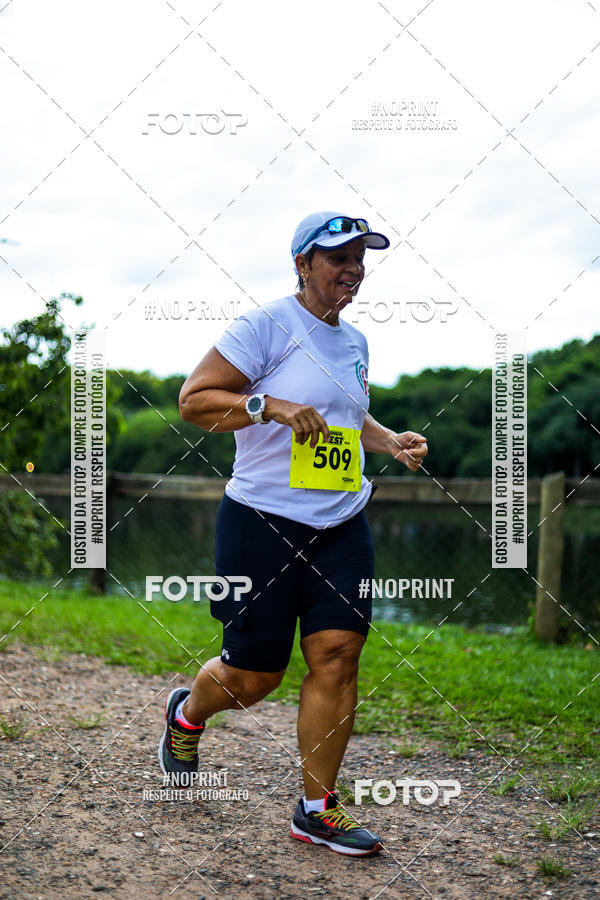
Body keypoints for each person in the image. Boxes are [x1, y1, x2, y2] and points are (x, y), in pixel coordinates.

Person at [158, 211, 428, 857]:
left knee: (338, 655)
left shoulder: (355, 342)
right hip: (261, 520)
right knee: (254, 677)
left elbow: (343, 419)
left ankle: (316, 809)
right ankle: (187, 714)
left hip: (340, 519)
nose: (352, 269)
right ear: (303, 263)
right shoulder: (265, 325)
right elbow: (196, 400)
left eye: (360, 258)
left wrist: (388, 440)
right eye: (339, 257)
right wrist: (267, 405)